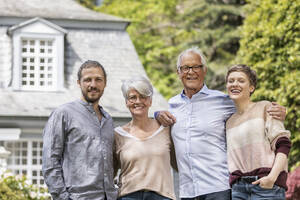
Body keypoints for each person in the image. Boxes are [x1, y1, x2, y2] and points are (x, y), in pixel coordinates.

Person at [155, 47, 286, 200]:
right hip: (187, 191)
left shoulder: (223, 101)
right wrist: (156, 114)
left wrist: (280, 111)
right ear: (178, 72)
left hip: (218, 188)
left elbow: (250, 107)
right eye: (185, 68)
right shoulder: (172, 105)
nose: (190, 72)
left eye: (196, 67)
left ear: (204, 70)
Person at [42, 60, 117, 200]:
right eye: (87, 80)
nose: (93, 85)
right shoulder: (63, 114)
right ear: (79, 83)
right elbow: (50, 163)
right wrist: (63, 197)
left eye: (98, 80)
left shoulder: (108, 120)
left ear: (105, 83)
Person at [225, 64, 291, 200]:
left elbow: (283, 145)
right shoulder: (229, 122)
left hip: (266, 187)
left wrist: (271, 178)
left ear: (251, 88)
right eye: (231, 81)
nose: (235, 84)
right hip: (239, 190)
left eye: (241, 80)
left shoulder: (265, 108)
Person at [114, 76, 177, 200]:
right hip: (128, 196)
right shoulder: (117, 134)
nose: (138, 101)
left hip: (163, 196)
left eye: (143, 96)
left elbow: (180, 164)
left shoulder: (166, 129)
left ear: (150, 101)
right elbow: (109, 172)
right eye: (132, 97)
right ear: (126, 102)